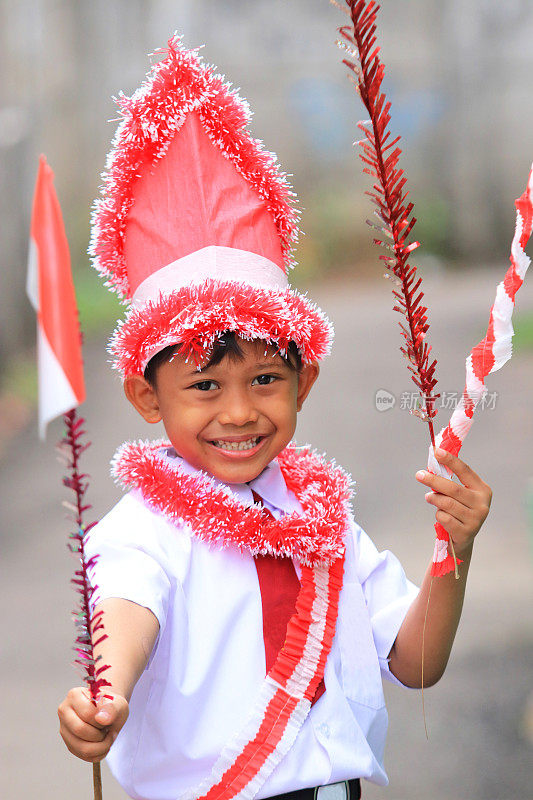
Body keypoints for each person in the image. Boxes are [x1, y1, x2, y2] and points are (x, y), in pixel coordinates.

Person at [58, 37, 491, 800]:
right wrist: (107, 694)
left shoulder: (324, 521)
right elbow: (125, 613)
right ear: (146, 398)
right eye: (203, 386)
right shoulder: (141, 534)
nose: (239, 411)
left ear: (304, 381)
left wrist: (452, 551)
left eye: (265, 379)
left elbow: (415, 663)